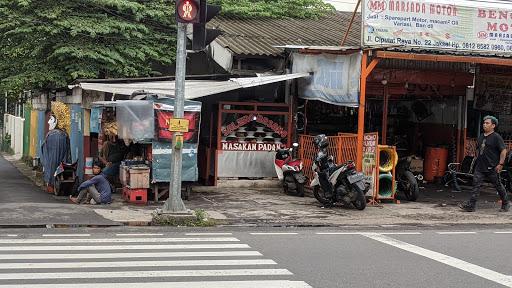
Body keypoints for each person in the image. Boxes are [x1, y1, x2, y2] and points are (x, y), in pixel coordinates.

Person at [460, 116, 510, 212]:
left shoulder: (496, 137)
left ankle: (505, 203)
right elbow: (479, 149)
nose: (484, 124)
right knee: (476, 185)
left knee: (498, 185)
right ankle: (471, 205)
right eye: (484, 123)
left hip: (492, 167)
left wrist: (501, 164)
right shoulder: (481, 136)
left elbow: (503, 151)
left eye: (487, 123)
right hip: (480, 166)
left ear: (493, 125)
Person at [40, 102, 71, 193]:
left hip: (54, 166)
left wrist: (50, 180)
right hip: (62, 164)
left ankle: (52, 185)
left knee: (53, 163)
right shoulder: (63, 134)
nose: (49, 122)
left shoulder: (55, 135)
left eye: (51, 119)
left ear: (57, 121)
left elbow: (53, 159)